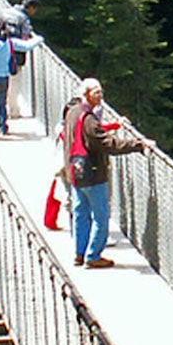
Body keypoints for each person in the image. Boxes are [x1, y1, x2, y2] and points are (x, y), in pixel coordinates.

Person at [61, 78, 146, 268]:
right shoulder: (89, 119)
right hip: (92, 174)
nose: (100, 95)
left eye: (101, 91)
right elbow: (106, 143)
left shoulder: (73, 112)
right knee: (100, 216)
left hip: (75, 172)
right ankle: (93, 256)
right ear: (86, 94)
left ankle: (80, 253)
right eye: (96, 92)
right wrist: (138, 145)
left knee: (81, 214)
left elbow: (88, 135)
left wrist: (113, 126)